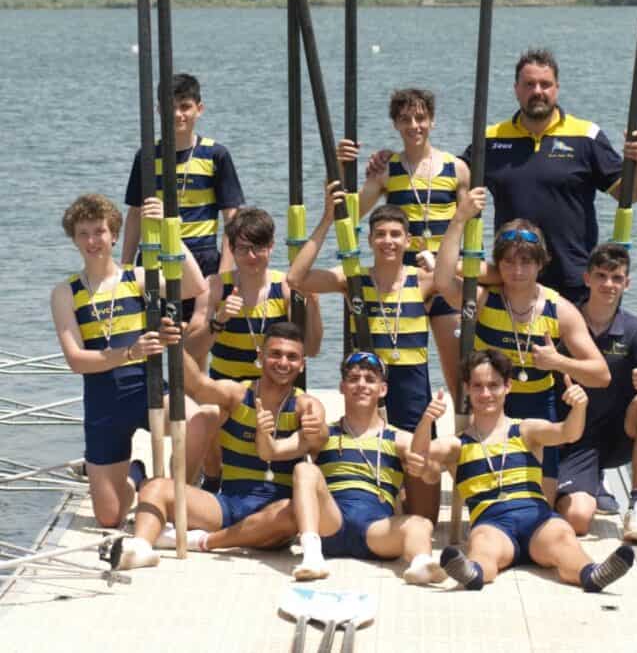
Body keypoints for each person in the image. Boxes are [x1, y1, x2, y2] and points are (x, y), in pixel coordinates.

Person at [50, 193, 218, 528]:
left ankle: (177, 490)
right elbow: (75, 360)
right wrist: (129, 352)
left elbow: (194, 284)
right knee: (109, 518)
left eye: (99, 232)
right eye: (83, 234)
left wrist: (168, 229)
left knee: (203, 417)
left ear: (114, 235)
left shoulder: (138, 278)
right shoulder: (65, 293)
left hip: (149, 391)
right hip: (103, 405)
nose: (92, 241)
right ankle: (136, 475)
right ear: (74, 240)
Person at [407, 349, 635, 594]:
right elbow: (419, 457)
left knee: (562, 537)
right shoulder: (458, 445)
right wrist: (426, 421)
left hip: (537, 519)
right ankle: (473, 573)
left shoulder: (526, 430)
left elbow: (568, 433)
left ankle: (592, 574)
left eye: (494, 385)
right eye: (478, 386)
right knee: (483, 543)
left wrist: (579, 407)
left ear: (508, 387)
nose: (486, 394)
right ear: (468, 389)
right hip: (493, 522)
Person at [434, 187, 609, 502]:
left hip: (539, 409)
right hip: (491, 406)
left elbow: (601, 374)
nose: (517, 271)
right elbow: (444, 281)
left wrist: (559, 362)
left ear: (540, 264)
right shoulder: (486, 299)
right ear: (498, 265)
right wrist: (459, 219)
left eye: (526, 263)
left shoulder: (561, 310)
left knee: (540, 504)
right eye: (509, 263)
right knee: (492, 497)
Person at [112, 322, 327, 569]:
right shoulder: (237, 394)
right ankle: (141, 548)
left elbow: (319, 438)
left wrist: (316, 426)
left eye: (292, 357)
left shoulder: (306, 405)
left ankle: (203, 541)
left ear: (302, 364)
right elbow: (198, 386)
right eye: (275, 354)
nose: (283, 363)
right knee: (155, 488)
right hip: (228, 504)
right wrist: (176, 343)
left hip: (274, 516)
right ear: (261, 357)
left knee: (293, 513)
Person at [286, 185, 444, 521]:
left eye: (396, 235)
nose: (388, 241)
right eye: (381, 234)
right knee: (379, 470)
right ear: (370, 240)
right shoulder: (353, 279)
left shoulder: (425, 281)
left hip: (413, 385)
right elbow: (296, 278)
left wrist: (441, 256)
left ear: (408, 241)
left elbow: (473, 281)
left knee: (425, 514)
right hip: (370, 383)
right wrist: (328, 219)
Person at [459, 48, 637, 302]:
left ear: (556, 88)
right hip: (515, 279)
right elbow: (452, 178)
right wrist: (396, 159)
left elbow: (630, 194)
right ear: (516, 89)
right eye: (529, 84)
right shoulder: (492, 139)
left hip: (575, 280)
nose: (538, 91)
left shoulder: (586, 136)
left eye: (545, 84)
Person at [337, 87, 470, 393]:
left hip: (445, 279)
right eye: (405, 119)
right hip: (402, 283)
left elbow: (469, 226)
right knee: (395, 367)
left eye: (421, 118)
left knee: (457, 371)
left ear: (432, 121)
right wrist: (339, 165)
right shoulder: (387, 170)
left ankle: (462, 434)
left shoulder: (456, 168)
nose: (414, 126)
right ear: (396, 124)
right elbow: (348, 212)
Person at [186, 206, 323, 492]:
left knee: (315, 422)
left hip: (274, 388)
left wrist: (314, 307)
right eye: (244, 249)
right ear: (232, 250)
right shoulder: (215, 287)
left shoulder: (284, 288)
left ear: (271, 247)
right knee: (207, 413)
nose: (251, 257)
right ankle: (212, 477)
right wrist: (219, 320)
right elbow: (190, 349)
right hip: (227, 389)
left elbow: (311, 348)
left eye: (258, 248)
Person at [290, 349, 445, 586]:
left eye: (370, 380)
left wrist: (426, 425)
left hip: (376, 530)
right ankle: (312, 556)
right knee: (305, 470)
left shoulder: (399, 439)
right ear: (342, 387)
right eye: (353, 379)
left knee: (420, 525)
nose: (361, 385)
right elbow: (277, 450)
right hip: (331, 523)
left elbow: (428, 465)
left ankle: (421, 564)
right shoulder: (324, 435)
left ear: (382, 389)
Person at [555, 243, 637, 544]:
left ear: (627, 283)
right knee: (578, 519)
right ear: (587, 279)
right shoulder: (565, 322)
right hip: (573, 437)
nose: (609, 284)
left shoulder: (636, 331)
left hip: (617, 435)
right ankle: (589, 481)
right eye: (602, 276)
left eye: (617, 278)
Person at [122, 73, 245, 315]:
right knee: (155, 335)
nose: (178, 114)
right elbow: (135, 214)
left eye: (185, 107)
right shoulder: (146, 156)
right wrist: (125, 267)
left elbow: (232, 220)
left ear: (199, 109)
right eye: (171, 108)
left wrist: (224, 275)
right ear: (158, 111)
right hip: (154, 257)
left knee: (198, 335)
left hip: (203, 259)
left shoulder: (216, 154)